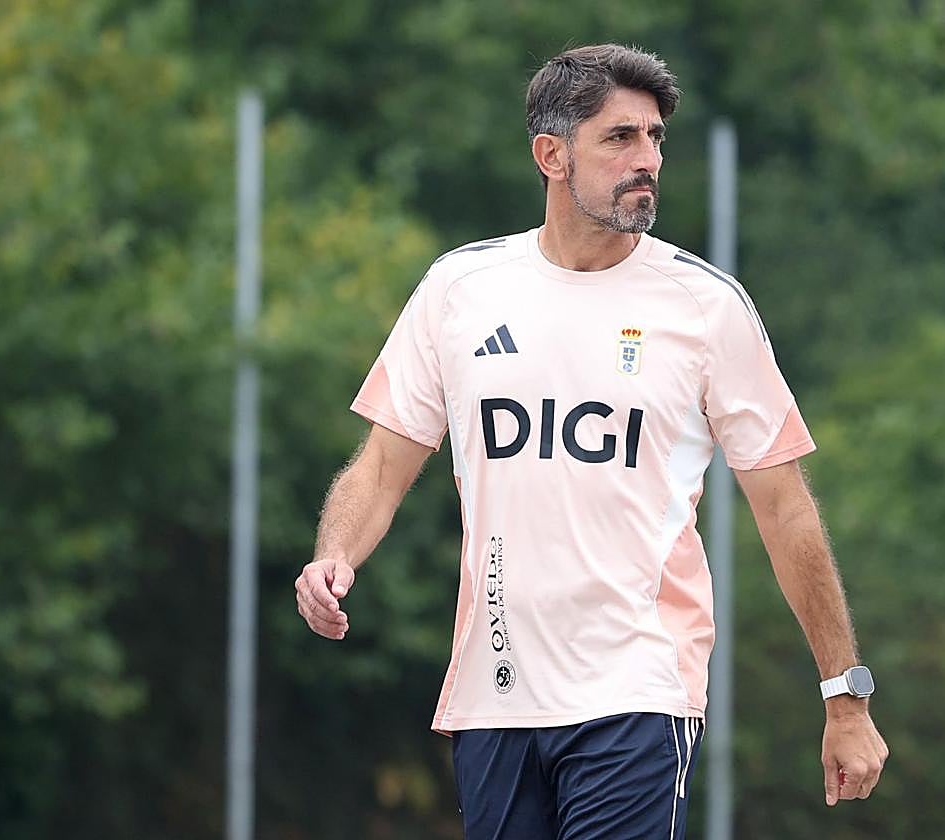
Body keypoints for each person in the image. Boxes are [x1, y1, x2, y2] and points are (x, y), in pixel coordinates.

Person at [295, 43, 888, 839]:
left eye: (654, 139)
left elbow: (786, 511)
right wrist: (335, 555)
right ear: (551, 155)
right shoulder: (459, 290)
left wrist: (844, 698)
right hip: (494, 691)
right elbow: (379, 464)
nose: (647, 160)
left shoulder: (705, 306)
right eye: (620, 139)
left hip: (638, 687)